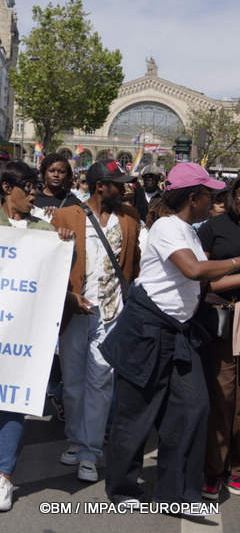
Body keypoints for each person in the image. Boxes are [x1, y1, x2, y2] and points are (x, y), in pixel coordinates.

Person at [102, 162, 231, 506]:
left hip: (180, 333)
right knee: (136, 414)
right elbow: (193, 269)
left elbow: (207, 279)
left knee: (193, 408)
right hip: (147, 330)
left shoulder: (189, 231)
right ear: (194, 197)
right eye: (209, 195)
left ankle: (177, 491)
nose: (213, 201)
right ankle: (122, 488)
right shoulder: (166, 227)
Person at [0, 161, 74, 511]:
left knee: (13, 401)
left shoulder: (44, 231)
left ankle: (6, 476)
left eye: (34, 188)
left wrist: (64, 245)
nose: (33, 195)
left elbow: (61, 269)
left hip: (24, 333)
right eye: (27, 188)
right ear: (6, 189)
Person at [50, 160, 141, 483]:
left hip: (112, 314)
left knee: (101, 382)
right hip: (75, 313)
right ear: (101, 186)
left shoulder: (129, 218)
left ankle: (90, 451)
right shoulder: (65, 216)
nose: (125, 189)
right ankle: (75, 440)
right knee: (73, 384)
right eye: (119, 184)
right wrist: (59, 240)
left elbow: (134, 263)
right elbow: (50, 263)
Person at [197, 176, 240, 499]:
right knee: (222, 396)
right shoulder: (214, 227)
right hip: (224, 318)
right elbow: (202, 279)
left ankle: (236, 469)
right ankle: (213, 470)